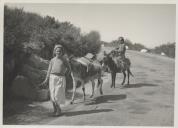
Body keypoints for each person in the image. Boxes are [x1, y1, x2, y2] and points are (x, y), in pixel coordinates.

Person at [39, 44, 71, 116]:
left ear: (62, 52)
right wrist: (46, 79)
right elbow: (49, 70)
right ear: (55, 51)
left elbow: (69, 69)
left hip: (60, 79)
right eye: (57, 51)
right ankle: (55, 110)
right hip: (52, 78)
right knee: (52, 95)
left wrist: (66, 75)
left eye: (60, 51)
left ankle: (58, 109)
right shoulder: (52, 60)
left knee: (57, 95)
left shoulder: (64, 60)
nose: (58, 52)